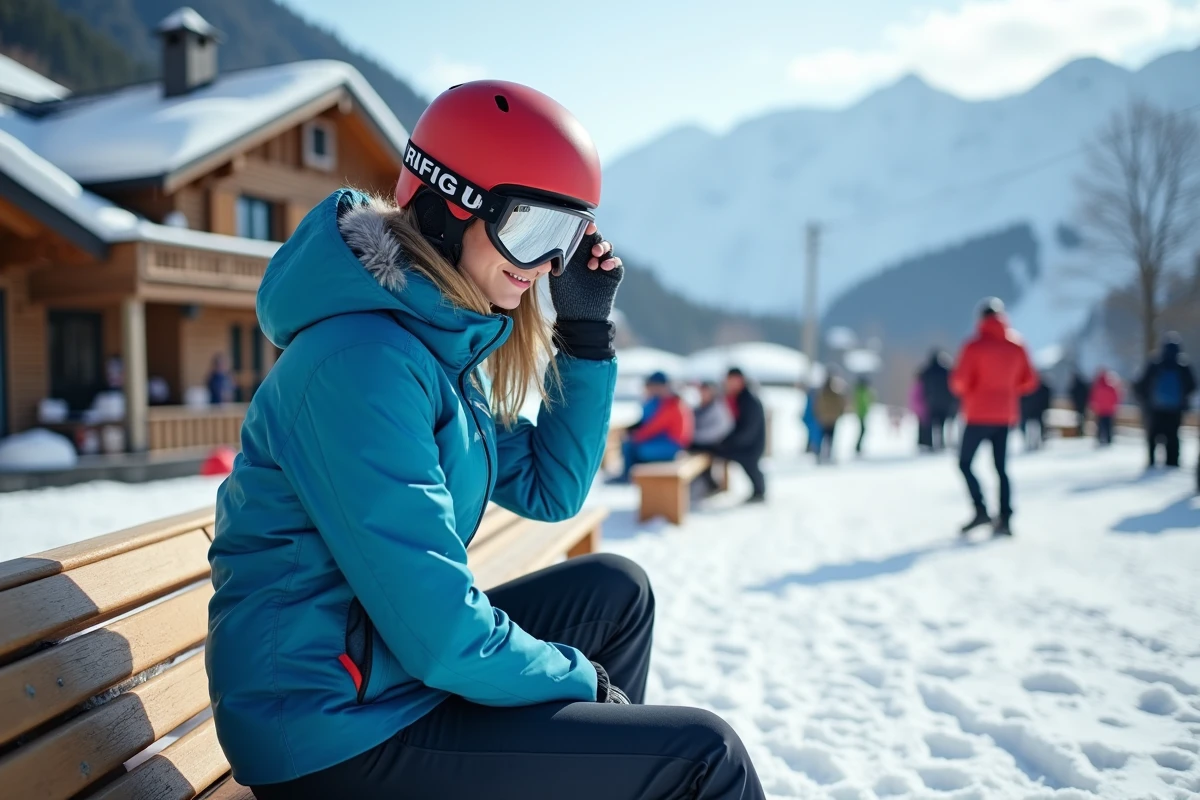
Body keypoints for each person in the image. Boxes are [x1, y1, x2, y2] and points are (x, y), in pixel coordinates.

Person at [207, 82, 763, 800]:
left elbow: (550, 486)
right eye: (531, 230)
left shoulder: (431, 349)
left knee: (615, 592)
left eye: (565, 240)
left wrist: (586, 338)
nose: (542, 267)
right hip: (330, 733)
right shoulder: (364, 365)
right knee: (701, 757)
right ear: (448, 203)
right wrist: (581, 677)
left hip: (381, 674)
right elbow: (439, 636)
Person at [950, 298, 1037, 536]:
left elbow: (959, 382)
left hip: (978, 414)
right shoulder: (1017, 345)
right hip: (1005, 415)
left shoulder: (974, 346)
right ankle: (1006, 518)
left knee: (965, 463)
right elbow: (1029, 381)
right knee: (1001, 468)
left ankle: (981, 511)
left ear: (981, 319)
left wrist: (973, 390)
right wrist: (1007, 389)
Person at [702, 367, 767, 503]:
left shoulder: (749, 399)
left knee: (750, 466)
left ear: (740, 380)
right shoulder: (739, 397)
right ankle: (758, 491)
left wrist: (730, 441)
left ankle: (759, 492)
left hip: (750, 444)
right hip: (746, 442)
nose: (728, 384)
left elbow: (748, 429)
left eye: (731, 380)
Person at [616, 372, 694, 482]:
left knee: (637, 448)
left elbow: (654, 426)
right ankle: (629, 475)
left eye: (653, 386)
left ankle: (629, 477)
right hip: (668, 441)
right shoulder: (663, 401)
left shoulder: (672, 403)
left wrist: (635, 437)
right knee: (631, 444)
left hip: (674, 446)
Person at [1134, 333, 1197, 468]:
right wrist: (1183, 399)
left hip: (1156, 408)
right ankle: (1172, 462)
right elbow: (1192, 385)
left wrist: (1146, 401)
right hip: (1175, 409)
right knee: (1173, 435)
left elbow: (1141, 384)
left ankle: (1151, 461)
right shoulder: (1183, 365)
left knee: (1153, 435)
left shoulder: (1155, 363)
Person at [919, 349, 954, 451]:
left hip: (931, 402)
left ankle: (931, 445)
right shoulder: (946, 371)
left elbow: (922, 385)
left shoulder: (927, 371)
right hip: (945, 402)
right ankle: (941, 443)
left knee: (931, 424)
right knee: (942, 424)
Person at [814, 375, 848, 464]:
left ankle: (820, 454)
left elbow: (817, 406)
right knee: (830, 438)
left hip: (824, 419)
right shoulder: (834, 394)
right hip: (832, 419)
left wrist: (819, 415)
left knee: (822, 438)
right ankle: (827, 455)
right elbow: (841, 405)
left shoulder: (821, 394)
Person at [693, 380, 734, 448]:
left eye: (705, 392)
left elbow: (715, 433)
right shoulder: (698, 410)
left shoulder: (720, 411)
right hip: (697, 445)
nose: (702, 395)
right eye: (701, 392)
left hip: (715, 449)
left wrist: (691, 436)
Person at [1089, 368, 1122, 446]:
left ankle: (1100, 439)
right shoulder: (1111, 387)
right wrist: (1114, 406)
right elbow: (1116, 397)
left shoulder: (1097, 387)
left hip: (1100, 410)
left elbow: (1093, 398)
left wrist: (1094, 407)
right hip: (1109, 410)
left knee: (1100, 425)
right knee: (1109, 426)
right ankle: (1109, 439)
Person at [1019, 373, 1052, 451]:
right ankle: (1030, 443)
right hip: (1030, 411)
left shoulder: (1042, 388)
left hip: (1036, 411)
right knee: (1029, 428)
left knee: (1037, 427)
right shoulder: (1027, 387)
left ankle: (1037, 442)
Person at [910, 375, 931, 451]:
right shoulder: (923, 386)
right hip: (922, 409)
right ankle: (924, 443)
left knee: (921, 426)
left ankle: (921, 442)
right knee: (924, 426)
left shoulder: (916, 386)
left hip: (918, 409)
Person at [853, 376, 874, 455]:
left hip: (863, 413)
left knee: (863, 430)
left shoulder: (863, 391)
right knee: (863, 430)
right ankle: (858, 447)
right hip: (861, 413)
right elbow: (860, 403)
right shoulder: (860, 391)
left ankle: (858, 447)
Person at [802, 382, 823, 455]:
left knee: (814, 434)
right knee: (815, 435)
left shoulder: (812, 396)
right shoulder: (815, 396)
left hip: (815, 419)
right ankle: (814, 448)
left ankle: (813, 448)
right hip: (815, 419)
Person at [1069, 368, 1090, 437]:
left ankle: (1079, 431)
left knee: (1078, 418)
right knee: (1082, 418)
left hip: (1077, 404)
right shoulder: (1083, 385)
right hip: (1083, 404)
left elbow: (1071, 394)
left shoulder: (1074, 385)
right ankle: (1081, 431)